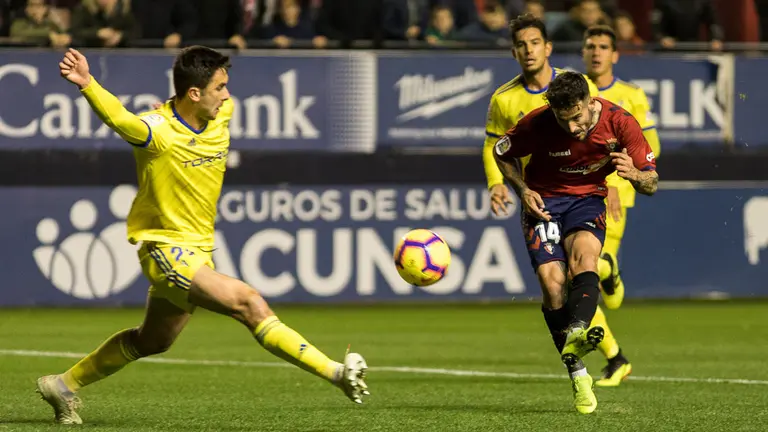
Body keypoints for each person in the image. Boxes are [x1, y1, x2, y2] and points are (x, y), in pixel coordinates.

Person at [36, 47, 369, 425]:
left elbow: (197, 106)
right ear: (195, 93)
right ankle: (336, 373)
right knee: (249, 303)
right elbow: (120, 119)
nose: (227, 96)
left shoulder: (222, 113)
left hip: (198, 250)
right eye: (220, 87)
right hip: (166, 249)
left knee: (153, 340)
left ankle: (62, 385)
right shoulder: (158, 132)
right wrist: (88, 84)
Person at [493, 71, 658, 414]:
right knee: (552, 286)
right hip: (544, 203)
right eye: (563, 119)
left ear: (589, 101)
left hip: (587, 201)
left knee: (585, 259)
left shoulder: (620, 122)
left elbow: (652, 182)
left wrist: (635, 175)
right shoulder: (536, 124)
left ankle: (577, 333)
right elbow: (500, 151)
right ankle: (578, 372)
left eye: (577, 118)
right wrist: (522, 190)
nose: (571, 128)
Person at [582, 24, 662, 387]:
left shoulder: (631, 95)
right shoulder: (575, 90)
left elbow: (651, 146)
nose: (596, 52)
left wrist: (615, 179)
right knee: (582, 283)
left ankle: (615, 357)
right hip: (574, 192)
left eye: (602, 46)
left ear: (615, 54)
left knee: (583, 273)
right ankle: (616, 357)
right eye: (590, 46)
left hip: (613, 198)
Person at [484, 13, 598, 218]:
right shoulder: (503, 99)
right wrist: (496, 184)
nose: (529, 50)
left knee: (584, 251)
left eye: (535, 43)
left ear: (548, 48)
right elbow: (494, 144)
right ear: (514, 52)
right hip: (540, 197)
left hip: (584, 194)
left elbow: (605, 133)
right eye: (522, 44)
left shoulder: (582, 86)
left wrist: (614, 185)